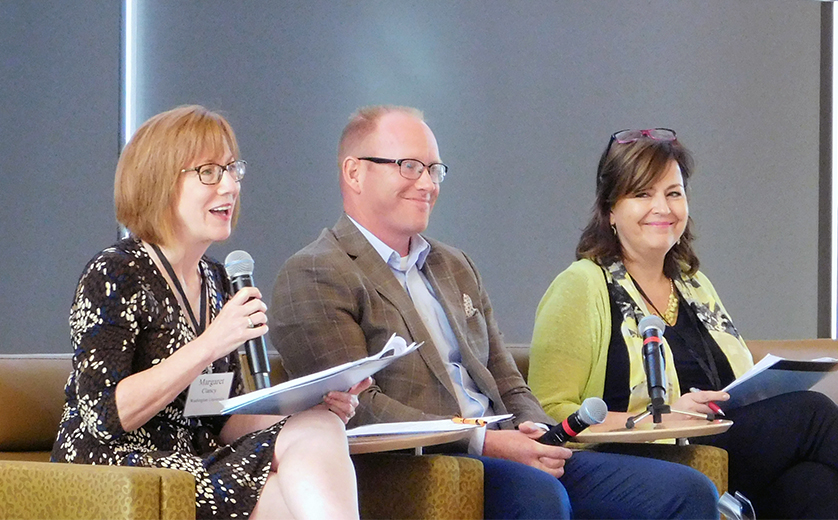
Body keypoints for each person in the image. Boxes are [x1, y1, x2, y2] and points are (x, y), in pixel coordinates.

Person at [269, 106, 720, 519]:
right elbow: (355, 410)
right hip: (429, 461)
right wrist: (482, 439)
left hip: (509, 445)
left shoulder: (453, 265)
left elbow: (506, 378)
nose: (427, 184)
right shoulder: (315, 272)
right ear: (354, 172)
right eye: (408, 166)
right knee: (539, 497)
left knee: (688, 492)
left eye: (434, 169)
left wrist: (543, 434)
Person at [51, 105, 370, 520]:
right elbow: (108, 415)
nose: (230, 186)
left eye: (232, 170)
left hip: (192, 459)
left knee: (318, 435)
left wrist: (307, 409)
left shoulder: (218, 280)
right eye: (209, 173)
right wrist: (210, 344)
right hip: (115, 467)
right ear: (160, 182)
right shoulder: (116, 273)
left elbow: (219, 419)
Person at [529, 128, 838, 519]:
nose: (663, 207)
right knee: (813, 414)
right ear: (610, 210)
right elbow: (547, 410)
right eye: (643, 194)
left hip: (714, 438)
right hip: (631, 455)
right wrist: (668, 415)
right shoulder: (581, 285)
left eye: (673, 193)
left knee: (812, 484)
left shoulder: (693, 284)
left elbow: (735, 381)